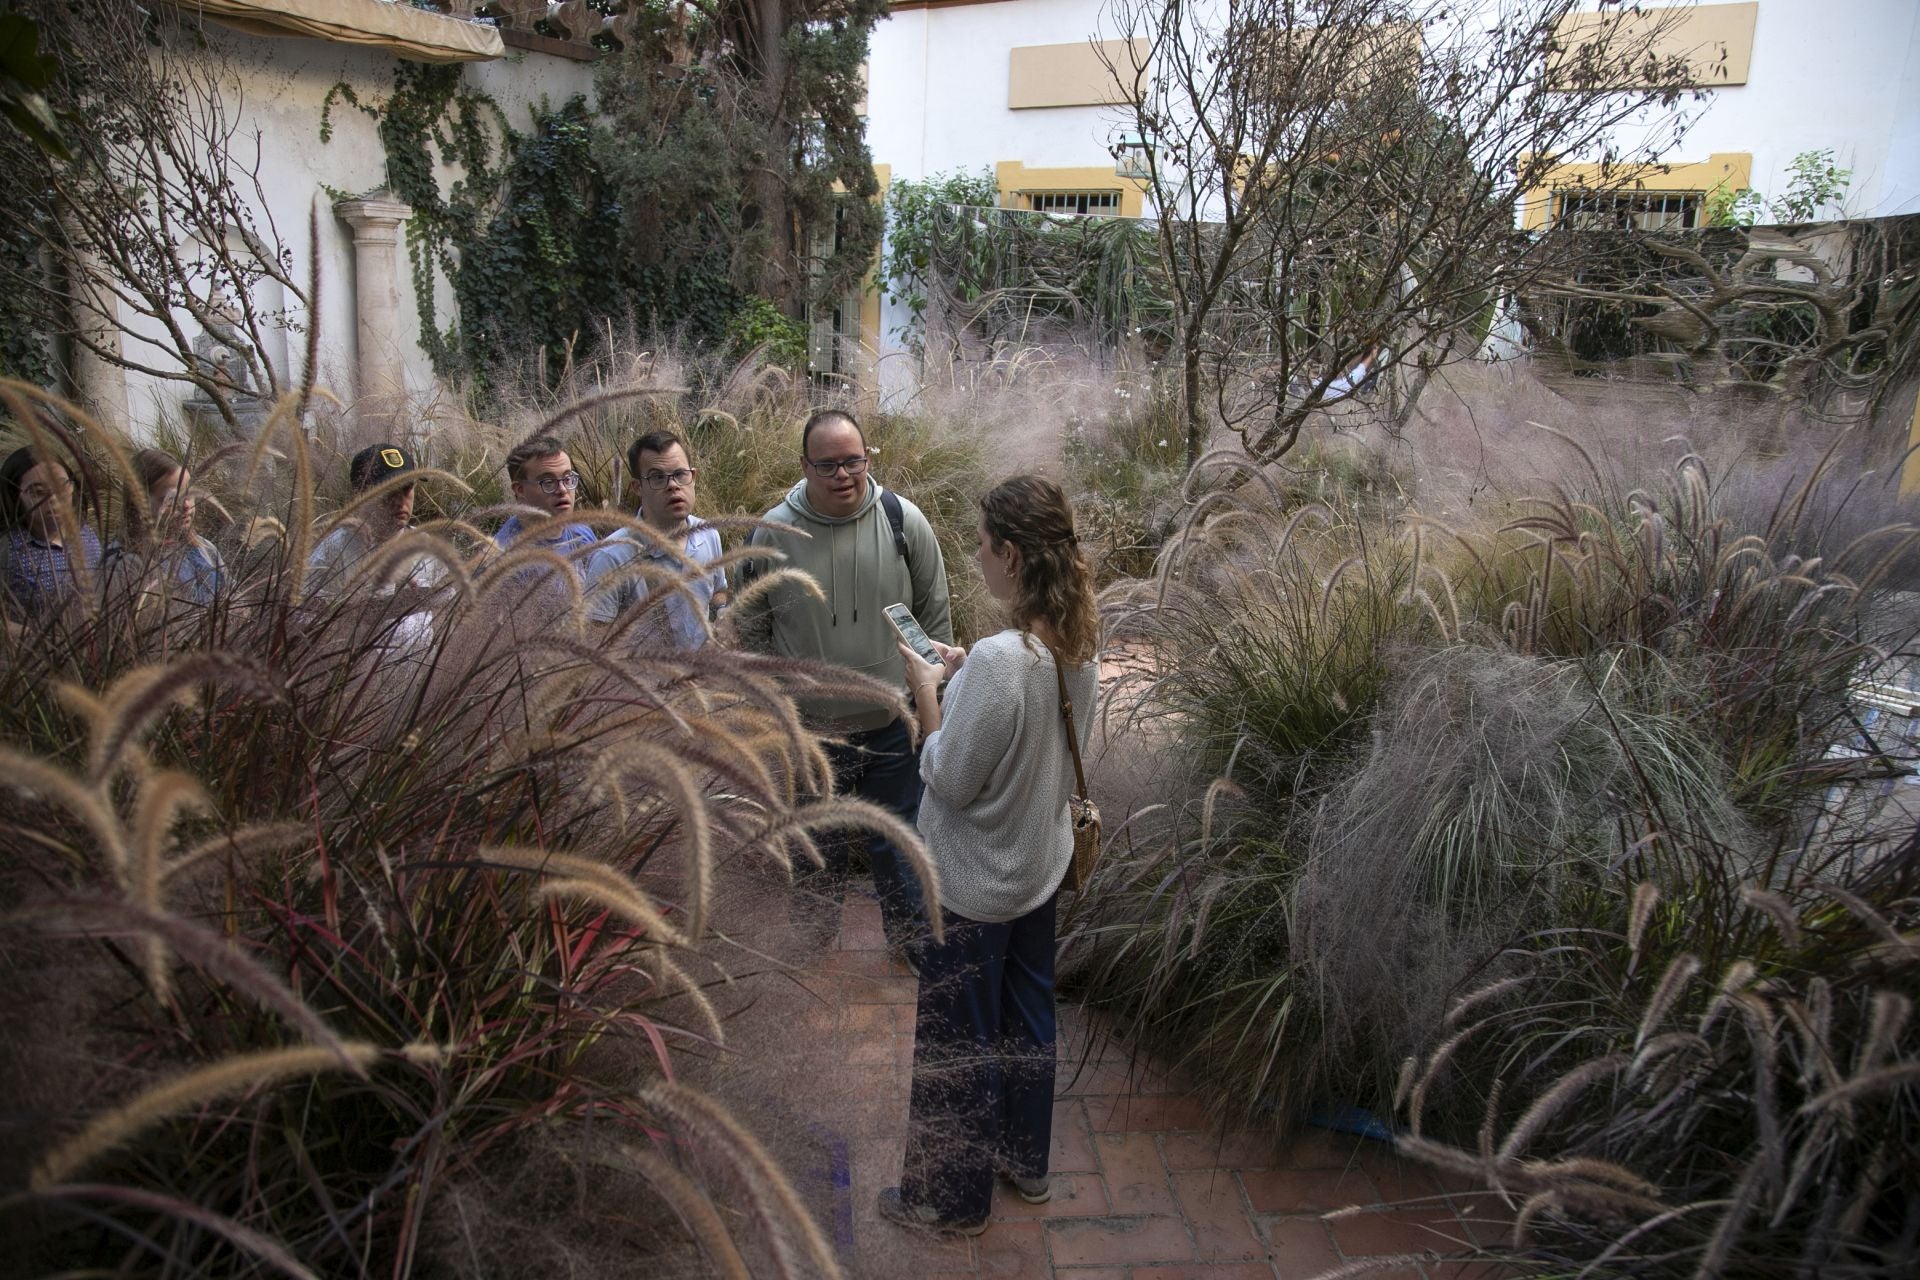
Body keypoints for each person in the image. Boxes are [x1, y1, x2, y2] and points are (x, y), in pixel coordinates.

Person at [877, 475, 1100, 1236]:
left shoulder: (1007, 661)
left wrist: (929, 689)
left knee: (957, 1040)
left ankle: (949, 1200)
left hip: (974, 885)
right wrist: (969, 667)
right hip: (1038, 872)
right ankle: (1024, 1165)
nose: (974, 556)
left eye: (980, 544)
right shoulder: (1070, 640)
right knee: (1029, 1016)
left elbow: (947, 775)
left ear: (1009, 552)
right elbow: (1035, 720)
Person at [734, 408, 952, 961]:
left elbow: (935, 619)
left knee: (901, 842)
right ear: (805, 465)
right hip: (812, 735)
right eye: (827, 464)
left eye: (852, 460)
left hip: (891, 726)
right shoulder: (774, 531)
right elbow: (751, 628)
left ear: (867, 457)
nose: (842, 475)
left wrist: (932, 706)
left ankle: (911, 944)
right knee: (815, 846)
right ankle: (811, 942)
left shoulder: (904, 521)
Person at [583, 429, 728, 649]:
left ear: (693, 477)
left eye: (680, 474)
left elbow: (718, 591)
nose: (673, 485)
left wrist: (723, 616)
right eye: (658, 477)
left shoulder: (708, 534)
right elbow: (595, 641)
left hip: (702, 677)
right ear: (637, 487)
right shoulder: (612, 558)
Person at [307, 443, 441, 653]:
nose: (401, 502)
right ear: (360, 494)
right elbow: (304, 621)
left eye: (407, 489)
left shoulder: (426, 546)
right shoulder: (333, 550)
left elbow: (452, 604)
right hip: (356, 678)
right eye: (389, 491)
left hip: (422, 675)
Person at [105, 449, 225, 607]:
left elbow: (231, 593)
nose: (187, 505)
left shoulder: (204, 549)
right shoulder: (122, 566)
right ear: (139, 503)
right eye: (172, 498)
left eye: (190, 494)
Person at [1, 445, 103, 623]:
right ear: (15, 496)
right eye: (39, 492)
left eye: (61, 486)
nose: (53, 499)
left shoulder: (88, 536)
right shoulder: (7, 549)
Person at [492, 435, 598, 557]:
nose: (563, 490)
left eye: (567, 478)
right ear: (520, 490)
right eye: (548, 482)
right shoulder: (504, 558)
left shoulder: (582, 533)